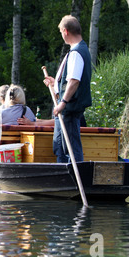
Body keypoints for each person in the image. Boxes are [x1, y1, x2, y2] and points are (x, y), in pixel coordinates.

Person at [42, 15, 92, 163]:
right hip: (67, 107)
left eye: (61, 33)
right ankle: (63, 177)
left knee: (71, 148)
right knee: (60, 147)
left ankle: (75, 180)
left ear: (65, 31)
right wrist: (55, 83)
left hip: (69, 107)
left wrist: (63, 102)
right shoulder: (78, 50)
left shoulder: (77, 52)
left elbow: (74, 81)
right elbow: (70, 80)